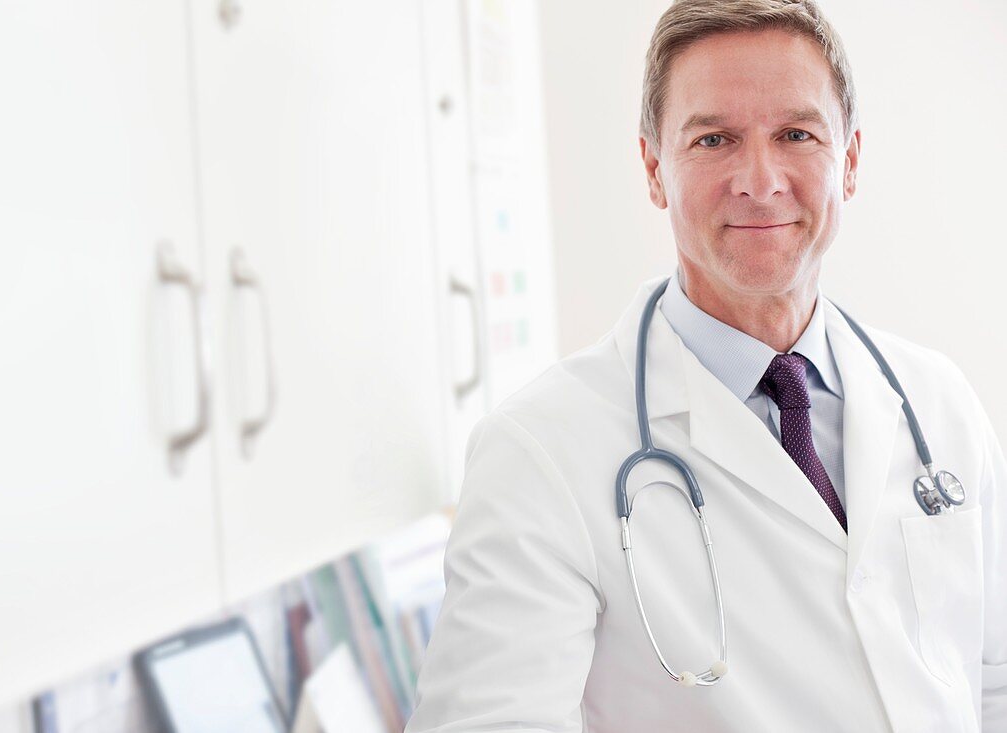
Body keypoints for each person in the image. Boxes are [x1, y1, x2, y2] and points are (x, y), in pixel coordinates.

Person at [404, 0, 1007, 731]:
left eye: (796, 133)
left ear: (849, 161)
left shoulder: (937, 403)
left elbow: (990, 680)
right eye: (714, 138)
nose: (759, 178)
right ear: (654, 169)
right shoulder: (540, 456)